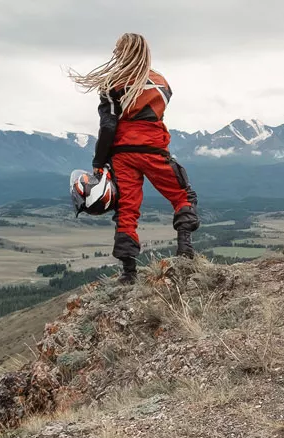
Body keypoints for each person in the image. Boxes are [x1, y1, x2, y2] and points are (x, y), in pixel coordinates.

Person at [69, 32, 199, 284]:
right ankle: (185, 251)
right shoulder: (162, 84)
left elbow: (108, 127)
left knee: (126, 210)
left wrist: (98, 162)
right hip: (154, 148)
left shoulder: (112, 84)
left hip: (123, 154)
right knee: (182, 195)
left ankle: (128, 274)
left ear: (122, 51)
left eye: (117, 50)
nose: (114, 54)